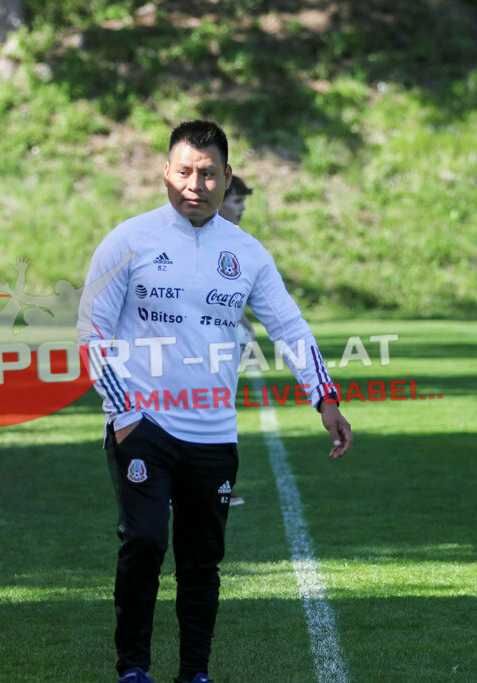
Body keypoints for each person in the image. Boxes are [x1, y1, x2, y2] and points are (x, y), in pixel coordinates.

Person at [78, 120, 351, 683]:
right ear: (165, 173)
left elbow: (291, 328)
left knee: (201, 562)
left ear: (227, 178)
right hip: (143, 425)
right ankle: (133, 668)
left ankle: (194, 673)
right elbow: (91, 335)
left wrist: (325, 398)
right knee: (146, 542)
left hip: (213, 434)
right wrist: (124, 416)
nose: (194, 184)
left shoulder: (247, 253)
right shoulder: (128, 240)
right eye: (183, 171)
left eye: (207, 173)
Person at [217, 175, 256, 507]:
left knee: (221, 409)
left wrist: (243, 322)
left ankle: (217, 488)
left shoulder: (234, 239)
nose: (242, 209)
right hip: (203, 344)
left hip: (227, 337)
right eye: (237, 201)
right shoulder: (200, 236)